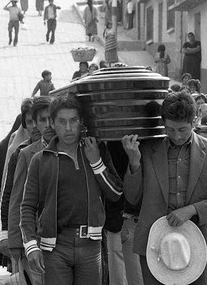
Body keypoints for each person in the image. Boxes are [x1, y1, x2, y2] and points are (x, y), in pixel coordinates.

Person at [122, 91, 207, 283]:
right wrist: (134, 162)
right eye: (170, 129)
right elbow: (132, 198)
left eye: (182, 129)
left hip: (198, 240)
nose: (176, 135)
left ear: (195, 120)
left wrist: (191, 210)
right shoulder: (147, 150)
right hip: (154, 243)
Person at [20, 95, 123, 285]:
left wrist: (96, 162)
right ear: (52, 122)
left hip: (90, 246)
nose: (68, 128)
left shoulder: (95, 149)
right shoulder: (41, 159)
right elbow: (27, 206)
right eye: (62, 121)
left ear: (81, 121)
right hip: (54, 247)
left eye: (73, 120)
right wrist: (31, 245)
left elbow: (115, 194)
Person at [7, 96, 55, 284]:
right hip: (34, 236)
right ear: (34, 123)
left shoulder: (74, 149)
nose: (48, 124)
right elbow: (17, 199)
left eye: (52, 118)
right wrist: (15, 240)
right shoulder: (27, 154)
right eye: (42, 120)